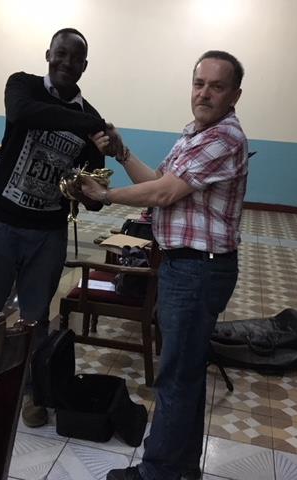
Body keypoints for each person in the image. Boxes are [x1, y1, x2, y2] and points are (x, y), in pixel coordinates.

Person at [81, 51, 248, 480]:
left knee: (175, 377)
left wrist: (104, 196)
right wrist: (122, 153)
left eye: (216, 86)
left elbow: (162, 195)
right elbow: (156, 182)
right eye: (199, 83)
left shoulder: (224, 137)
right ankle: (183, 468)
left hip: (198, 270)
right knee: (186, 374)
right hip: (186, 266)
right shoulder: (194, 134)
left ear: (234, 95)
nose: (204, 93)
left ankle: (155, 473)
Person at [0, 27, 106, 427]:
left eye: (75, 58)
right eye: (60, 54)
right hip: (1, 223)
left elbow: (94, 190)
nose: (66, 63)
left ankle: (33, 392)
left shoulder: (90, 119)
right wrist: (89, 122)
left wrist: (89, 193)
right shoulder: (23, 86)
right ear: (48, 54)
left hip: (48, 233)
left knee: (36, 318)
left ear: (84, 65)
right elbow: (22, 115)